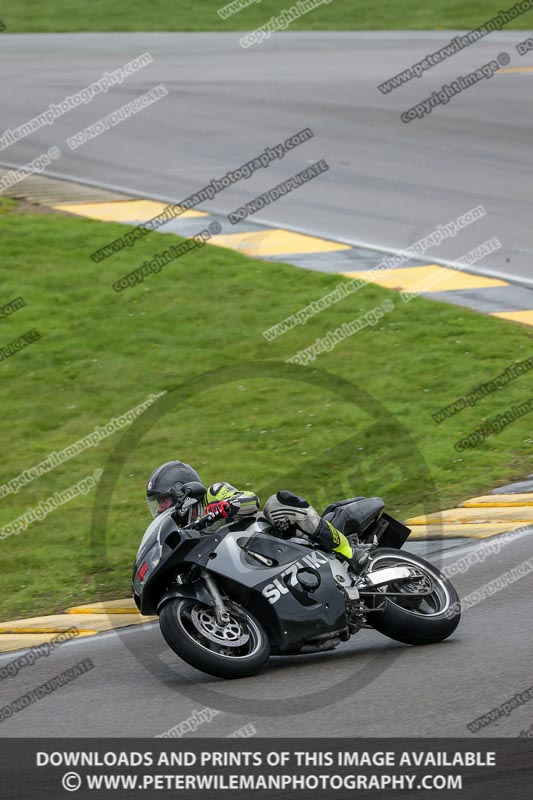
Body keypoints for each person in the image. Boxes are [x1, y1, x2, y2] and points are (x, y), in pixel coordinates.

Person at [146, 461, 369, 570]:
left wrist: (226, 507)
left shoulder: (213, 494)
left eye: (163, 500)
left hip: (272, 539)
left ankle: (349, 551)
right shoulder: (180, 532)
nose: (161, 508)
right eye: (158, 503)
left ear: (180, 491)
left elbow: (250, 499)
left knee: (278, 502)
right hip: (248, 568)